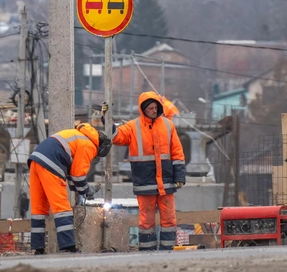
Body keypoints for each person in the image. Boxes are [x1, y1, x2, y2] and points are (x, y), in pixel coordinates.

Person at [102, 92, 186, 251]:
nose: (154, 111)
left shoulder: (168, 125)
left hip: (166, 182)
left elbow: (177, 153)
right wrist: (106, 118)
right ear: (143, 109)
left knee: (169, 220)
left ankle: (167, 252)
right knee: (146, 222)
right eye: (150, 108)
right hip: (145, 183)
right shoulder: (133, 127)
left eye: (155, 108)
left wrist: (180, 176)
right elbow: (116, 136)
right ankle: (147, 252)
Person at [28, 123, 112, 255]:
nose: (94, 157)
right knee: (62, 208)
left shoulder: (78, 135)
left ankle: (38, 248)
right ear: (100, 149)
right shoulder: (89, 145)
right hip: (52, 164)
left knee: (38, 209)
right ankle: (69, 246)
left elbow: (71, 174)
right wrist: (87, 191)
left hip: (36, 160)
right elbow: (78, 175)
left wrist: (78, 190)